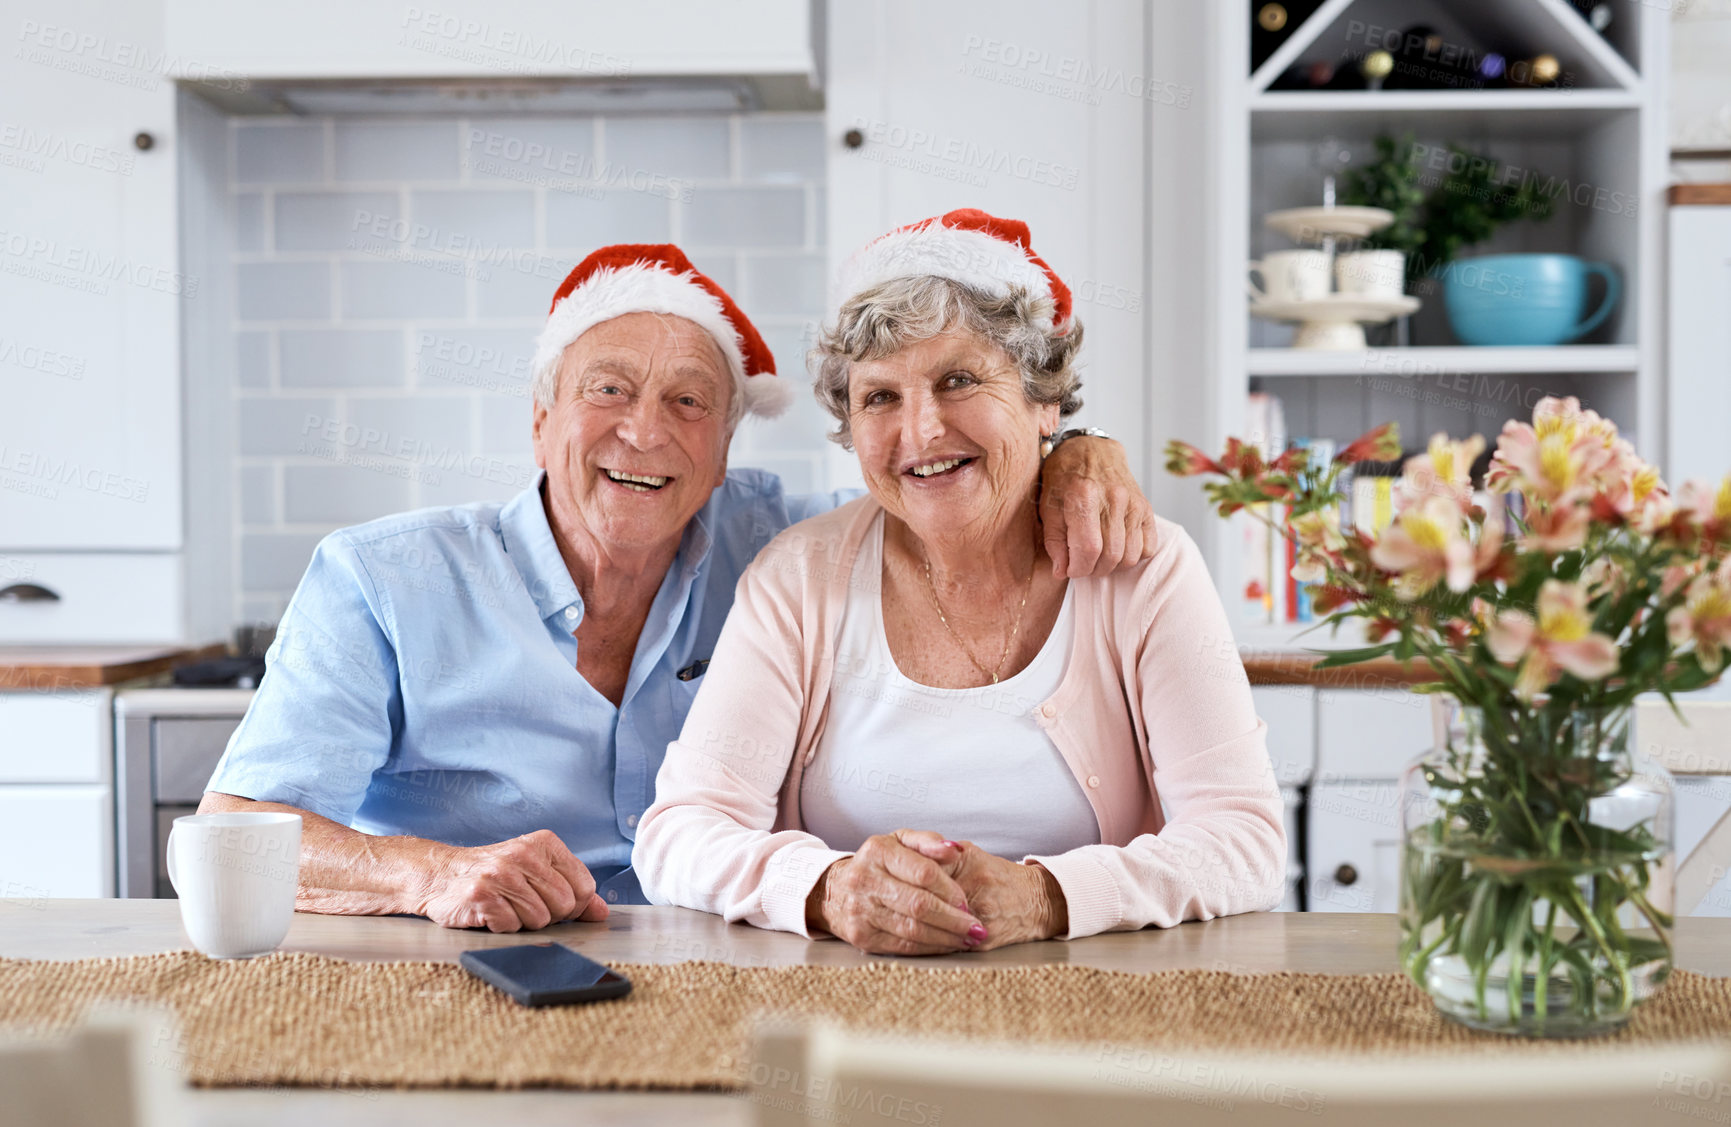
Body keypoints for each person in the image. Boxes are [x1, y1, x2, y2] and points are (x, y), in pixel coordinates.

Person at [197, 241, 1159, 932]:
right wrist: (434, 875)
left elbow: (934, 467)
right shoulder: (384, 577)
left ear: (725, 447)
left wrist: (1074, 448)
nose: (644, 433)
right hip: (458, 964)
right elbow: (240, 827)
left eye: (688, 402)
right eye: (606, 390)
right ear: (540, 423)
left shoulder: (786, 546)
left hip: (722, 971)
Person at [632, 211, 1286, 954]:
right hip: (845, 1014)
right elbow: (678, 833)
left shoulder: (1143, 569)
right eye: (880, 397)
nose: (922, 431)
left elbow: (1245, 840)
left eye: (959, 380)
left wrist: (1047, 897)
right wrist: (829, 889)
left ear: (1044, 404)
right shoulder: (797, 577)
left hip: (1093, 1014)